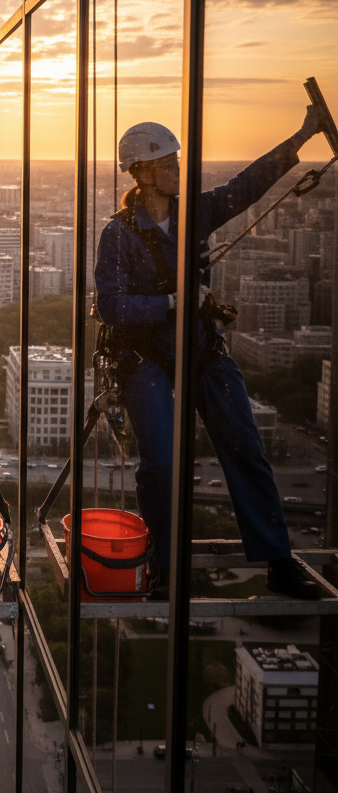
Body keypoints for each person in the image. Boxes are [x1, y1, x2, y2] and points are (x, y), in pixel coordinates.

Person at [94, 108, 327, 599]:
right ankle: (161, 565)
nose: (180, 169)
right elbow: (110, 306)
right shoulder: (118, 234)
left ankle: (278, 561)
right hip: (146, 356)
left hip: (202, 347)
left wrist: (301, 136)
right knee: (159, 463)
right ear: (143, 173)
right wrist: (172, 302)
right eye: (171, 163)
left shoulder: (195, 211)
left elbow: (249, 185)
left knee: (245, 446)